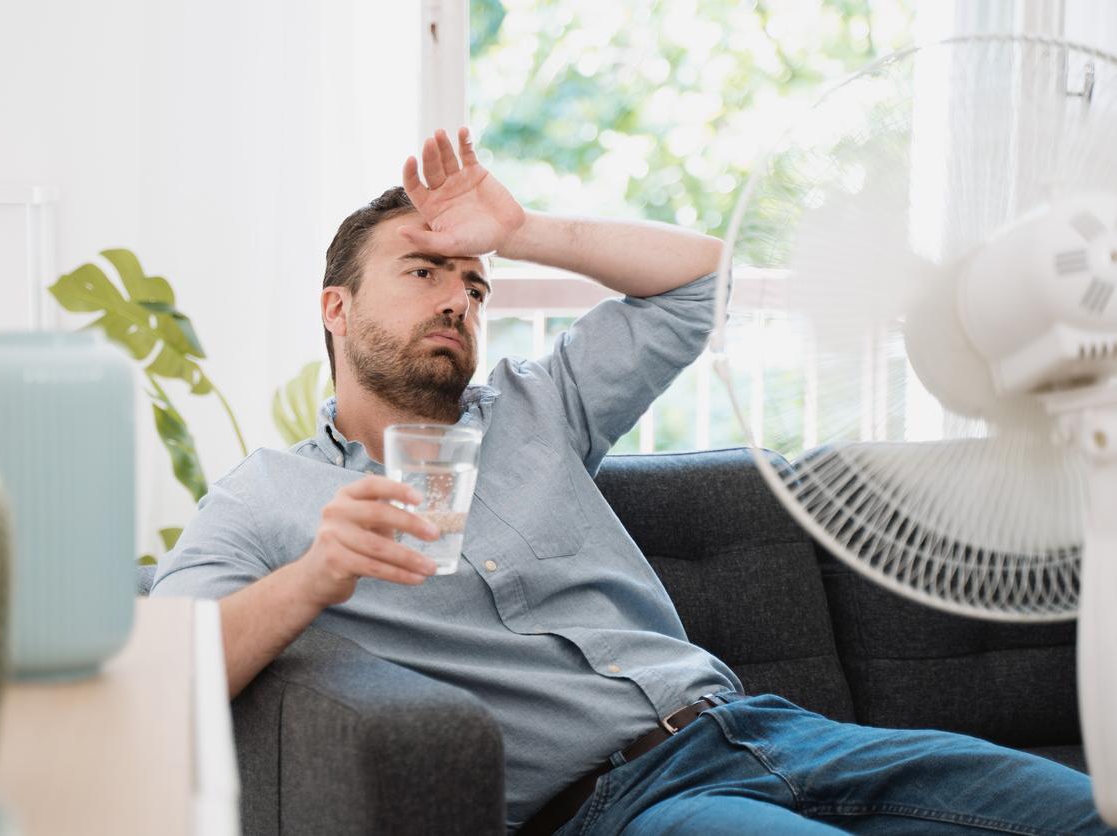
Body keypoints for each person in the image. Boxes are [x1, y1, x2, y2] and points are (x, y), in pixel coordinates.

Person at [150, 128, 1112, 834]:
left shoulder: (537, 409)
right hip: (618, 805)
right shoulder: (269, 498)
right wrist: (318, 573)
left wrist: (520, 232)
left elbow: (698, 284)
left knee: (1082, 810)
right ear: (336, 307)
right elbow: (170, 675)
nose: (456, 298)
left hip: (759, 729)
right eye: (424, 272)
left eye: (474, 285)